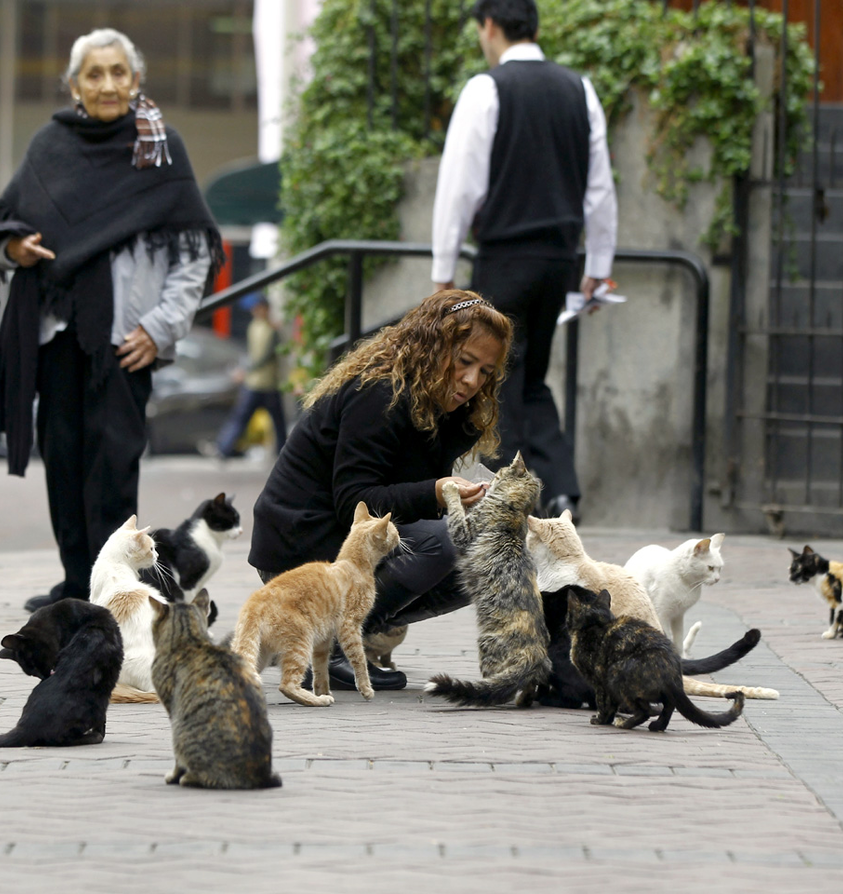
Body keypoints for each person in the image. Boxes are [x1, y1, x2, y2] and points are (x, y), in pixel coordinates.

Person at [0, 28, 223, 613]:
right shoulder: (49, 145)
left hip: (125, 341)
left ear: (137, 81)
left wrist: (161, 327)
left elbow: (192, 254)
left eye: (120, 73)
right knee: (62, 460)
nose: (109, 84)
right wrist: (14, 251)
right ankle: (75, 583)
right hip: (57, 335)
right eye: (95, 74)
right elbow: (3, 230)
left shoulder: (160, 147)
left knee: (112, 469)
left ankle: (114, 588)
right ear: (74, 86)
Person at [249, 290, 514, 690]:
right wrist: (437, 492)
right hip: (301, 549)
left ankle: (356, 634)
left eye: (485, 372)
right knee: (445, 542)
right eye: (464, 362)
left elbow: (410, 499)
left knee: (492, 549)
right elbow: (354, 504)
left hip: (340, 554)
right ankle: (323, 639)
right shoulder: (378, 393)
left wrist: (478, 501)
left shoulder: (447, 409)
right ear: (434, 345)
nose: (472, 381)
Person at [431, 0, 618, 523]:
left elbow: (458, 187)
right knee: (531, 377)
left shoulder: (487, 88)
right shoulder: (579, 89)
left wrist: (443, 272)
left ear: (489, 26)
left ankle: (503, 499)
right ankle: (562, 490)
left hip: (505, 259)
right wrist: (597, 264)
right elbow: (600, 188)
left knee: (491, 379)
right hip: (559, 259)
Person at [215, 292, 287, 458]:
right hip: (254, 383)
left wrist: (246, 370)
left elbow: (265, 356)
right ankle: (224, 449)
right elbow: (253, 354)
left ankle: (283, 452)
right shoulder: (254, 326)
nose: (254, 311)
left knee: (277, 422)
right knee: (240, 417)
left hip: (268, 383)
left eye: (257, 308)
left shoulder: (271, 328)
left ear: (265, 308)